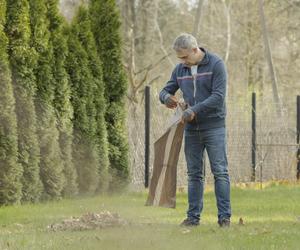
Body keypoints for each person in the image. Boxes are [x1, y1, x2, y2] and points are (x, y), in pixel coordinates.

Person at [159, 33, 231, 227]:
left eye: (184, 57)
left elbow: (218, 96)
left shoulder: (216, 64)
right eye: (179, 58)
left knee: (220, 172)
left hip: (214, 126)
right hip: (191, 130)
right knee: (194, 175)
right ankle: (192, 219)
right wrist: (166, 98)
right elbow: (164, 90)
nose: (182, 61)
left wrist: (194, 110)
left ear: (194, 49)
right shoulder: (180, 69)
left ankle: (224, 218)